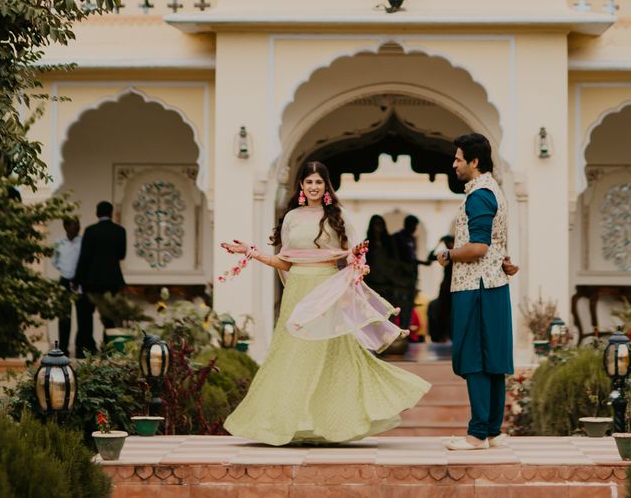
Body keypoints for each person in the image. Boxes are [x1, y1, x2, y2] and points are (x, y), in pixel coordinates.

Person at [221, 161, 430, 445]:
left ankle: (332, 422)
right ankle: (289, 423)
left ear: (326, 186)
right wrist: (250, 251)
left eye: (319, 182)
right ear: (301, 186)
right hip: (297, 291)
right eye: (309, 182)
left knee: (333, 355)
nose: (314, 187)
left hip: (328, 289)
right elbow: (284, 261)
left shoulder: (338, 217)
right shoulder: (292, 217)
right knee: (292, 354)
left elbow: (352, 258)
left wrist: (356, 259)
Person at [439, 133, 518, 450]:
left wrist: (447, 254)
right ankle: (493, 431)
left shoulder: (479, 196)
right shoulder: (491, 191)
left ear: (474, 162)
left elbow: (478, 247)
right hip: (492, 285)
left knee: (475, 357)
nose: (454, 164)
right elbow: (494, 244)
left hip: (477, 287)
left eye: (458, 158)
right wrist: (506, 260)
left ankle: (477, 434)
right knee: (492, 359)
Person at [73, 200, 127, 355]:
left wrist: (77, 280)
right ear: (111, 214)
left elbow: (84, 258)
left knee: (86, 316)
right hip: (112, 280)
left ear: (97, 213)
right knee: (110, 316)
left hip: (92, 280)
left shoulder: (90, 231)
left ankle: (88, 348)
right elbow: (122, 255)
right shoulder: (120, 231)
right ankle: (109, 349)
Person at [52, 216, 81, 355]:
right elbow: (55, 261)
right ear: (66, 226)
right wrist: (65, 270)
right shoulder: (59, 242)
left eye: (78, 224)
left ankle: (80, 347)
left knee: (82, 315)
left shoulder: (82, 242)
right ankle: (63, 348)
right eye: (74, 225)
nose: (77, 227)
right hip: (64, 280)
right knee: (64, 315)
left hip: (80, 281)